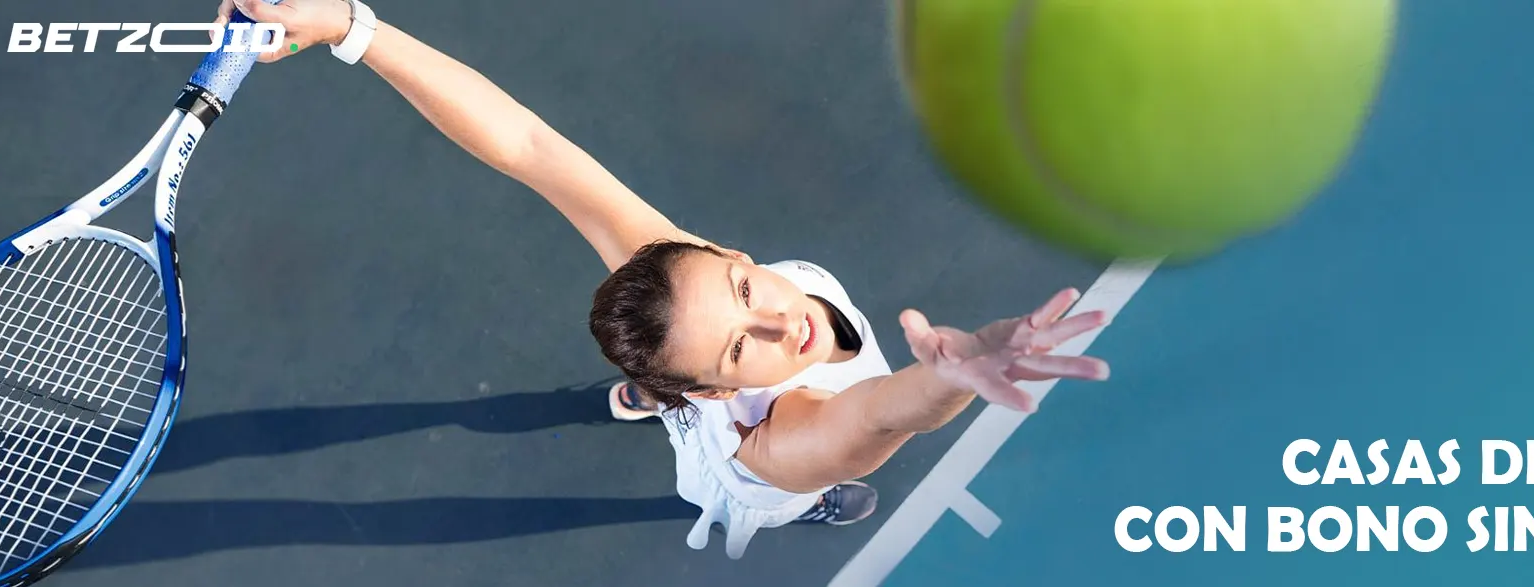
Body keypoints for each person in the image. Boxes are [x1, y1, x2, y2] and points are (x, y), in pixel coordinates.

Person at [217, 0, 1112, 558]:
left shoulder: (682, 269)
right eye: (737, 350)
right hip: (750, 453)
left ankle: (645, 393)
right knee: (802, 486)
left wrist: (351, 27)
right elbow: (875, 414)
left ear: (728, 258)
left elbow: (527, 145)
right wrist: (946, 382)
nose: (776, 326)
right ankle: (677, 418)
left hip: (677, 372)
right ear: (719, 392)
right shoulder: (785, 440)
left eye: (743, 293)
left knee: (671, 321)